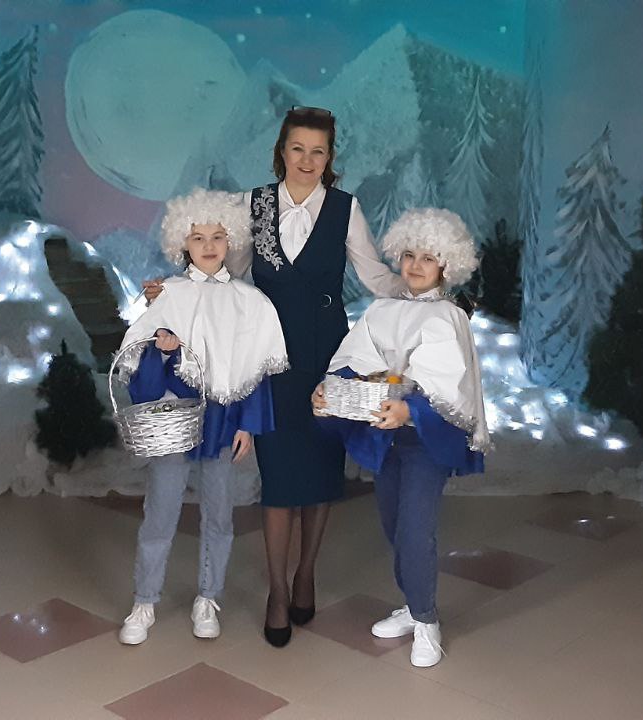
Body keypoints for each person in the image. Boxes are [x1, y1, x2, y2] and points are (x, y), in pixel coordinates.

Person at [145, 106, 405, 647]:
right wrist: (172, 293)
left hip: (327, 359)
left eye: (318, 151)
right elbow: (222, 271)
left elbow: (375, 276)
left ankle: (307, 572)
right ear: (281, 151)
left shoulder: (345, 209)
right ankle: (279, 592)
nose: (306, 160)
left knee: (321, 475)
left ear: (330, 158)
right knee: (281, 479)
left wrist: (426, 295)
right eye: (297, 148)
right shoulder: (253, 205)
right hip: (269, 360)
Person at [313, 208, 490, 668]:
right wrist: (331, 390)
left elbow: (451, 385)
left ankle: (427, 620)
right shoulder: (383, 309)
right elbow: (354, 359)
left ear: (446, 265)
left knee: (415, 530)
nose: (415, 265)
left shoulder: (449, 316)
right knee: (394, 525)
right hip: (383, 437)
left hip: (424, 442)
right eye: (409, 255)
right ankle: (413, 605)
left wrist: (409, 409)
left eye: (428, 258)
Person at [115, 188, 288, 646]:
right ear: (183, 243)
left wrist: (249, 423)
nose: (208, 246)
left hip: (223, 421)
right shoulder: (168, 295)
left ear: (231, 240)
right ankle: (145, 600)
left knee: (219, 515)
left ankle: (208, 597)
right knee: (160, 511)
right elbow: (140, 370)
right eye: (197, 237)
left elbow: (255, 369)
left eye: (217, 236)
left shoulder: (249, 301)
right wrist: (163, 351)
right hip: (175, 421)